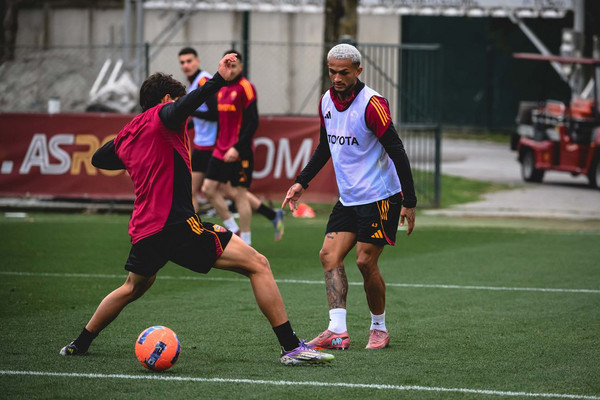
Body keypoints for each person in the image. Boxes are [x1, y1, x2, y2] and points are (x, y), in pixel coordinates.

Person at [59, 53, 333, 366]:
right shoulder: (165, 114)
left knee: (133, 287)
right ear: (166, 100)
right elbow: (184, 106)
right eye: (175, 102)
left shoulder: (129, 133)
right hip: (176, 224)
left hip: (145, 230)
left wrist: (135, 152)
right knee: (258, 264)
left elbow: (99, 158)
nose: (183, 113)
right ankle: (291, 347)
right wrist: (218, 80)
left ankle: (79, 344)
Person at [282, 44, 417, 351]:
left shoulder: (372, 104)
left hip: (380, 197)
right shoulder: (325, 101)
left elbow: (397, 150)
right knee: (328, 255)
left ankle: (379, 328)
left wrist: (409, 201)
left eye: (344, 72)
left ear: (358, 70)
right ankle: (337, 331)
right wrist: (301, 182)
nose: (337, 78)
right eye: (332, 72)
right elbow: (325, 146)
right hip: (349, 198)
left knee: (365, 261)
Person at [181, 48, 284, 242]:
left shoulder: (246, 87)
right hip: (220, 149)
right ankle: (234, 230)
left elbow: (252, 122)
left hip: (239, 151)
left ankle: (246, 240)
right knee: (209, 189)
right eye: (228, 65)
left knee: (238, 194)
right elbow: (219, 120)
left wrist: (237, 147)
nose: (231, 69)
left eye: (234, 65)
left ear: (241, 67)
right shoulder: (221, 89)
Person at [178, 47, 218, 213]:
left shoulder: (203, 81)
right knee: (192, 191)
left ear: (197, 61)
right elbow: (202, 116)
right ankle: (193, 229)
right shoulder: (195, 82)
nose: (186, 65)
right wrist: (185, 125)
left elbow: (215, 114)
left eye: (189, 61)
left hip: (211, 145)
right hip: (202, 144)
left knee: (228, 192)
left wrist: (188, 109)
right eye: (182, 62)